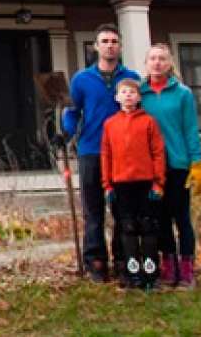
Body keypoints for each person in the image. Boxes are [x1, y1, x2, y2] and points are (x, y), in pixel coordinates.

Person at [62, 24, 141, 282]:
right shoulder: (82, 80)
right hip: (91, 150)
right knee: (93, 210)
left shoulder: (131, 79)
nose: (110, 45)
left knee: (122, 209)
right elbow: (72, 111)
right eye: (104, 41)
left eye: (114, 41)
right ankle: (95, 261)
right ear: (96, 46)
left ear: (120, 46)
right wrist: (65, 133)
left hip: (124, 154)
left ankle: (122, 258)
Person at [140, 43, 201, 290]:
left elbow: (191, 129)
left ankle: (187, 269)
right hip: (150, 168)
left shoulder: (182, 93)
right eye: (153, 58)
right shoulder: (140, 94)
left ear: (169, 63)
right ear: (146, 63)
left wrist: (196, 163)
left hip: (178, 165)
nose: (157, 63)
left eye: (162, 59)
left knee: (181, 218)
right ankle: (168, 267)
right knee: (160, 219)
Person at [101, 78, 166, 291]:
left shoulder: (148, 122)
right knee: (127, 228)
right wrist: (107, 185)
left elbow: (157, 153)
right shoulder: (110, 124)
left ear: (139, 97)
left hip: (145, 183)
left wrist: (158, 183)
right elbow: (106, 155)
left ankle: (150, 273)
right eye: (124, 92)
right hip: (121, 184)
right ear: (117, 97)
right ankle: (132, 273)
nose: (128, 95)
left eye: (132, 92)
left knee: (147, 227)